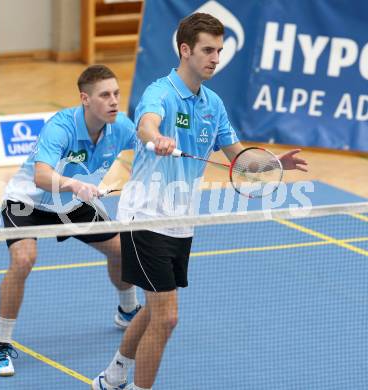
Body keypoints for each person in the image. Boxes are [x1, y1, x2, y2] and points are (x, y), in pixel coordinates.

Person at [92, 13, 308, 390]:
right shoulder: (160, 92)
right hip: (144, 219)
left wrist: (275, 164)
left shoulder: (213, 104)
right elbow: (147, 124)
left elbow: (239, 158)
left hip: (181, 222)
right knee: (168, 316)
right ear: (185, 49)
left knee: (154, 311)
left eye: (219, 51)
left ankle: (112, 377)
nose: (215, 58)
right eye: (208, 50)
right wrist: (156, 137)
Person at [0, 65, 141, 377]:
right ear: (85, 99)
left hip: (73, 203)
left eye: (116, 93)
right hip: (28, 201)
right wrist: (75, 185)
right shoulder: (61, 126)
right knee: (23, 259)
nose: (113, 101)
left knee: (122, 250)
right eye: (104, 95)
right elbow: (42, 175)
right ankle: (2, 343)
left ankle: (127, 311)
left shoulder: (121, 127)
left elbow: (147, 145)